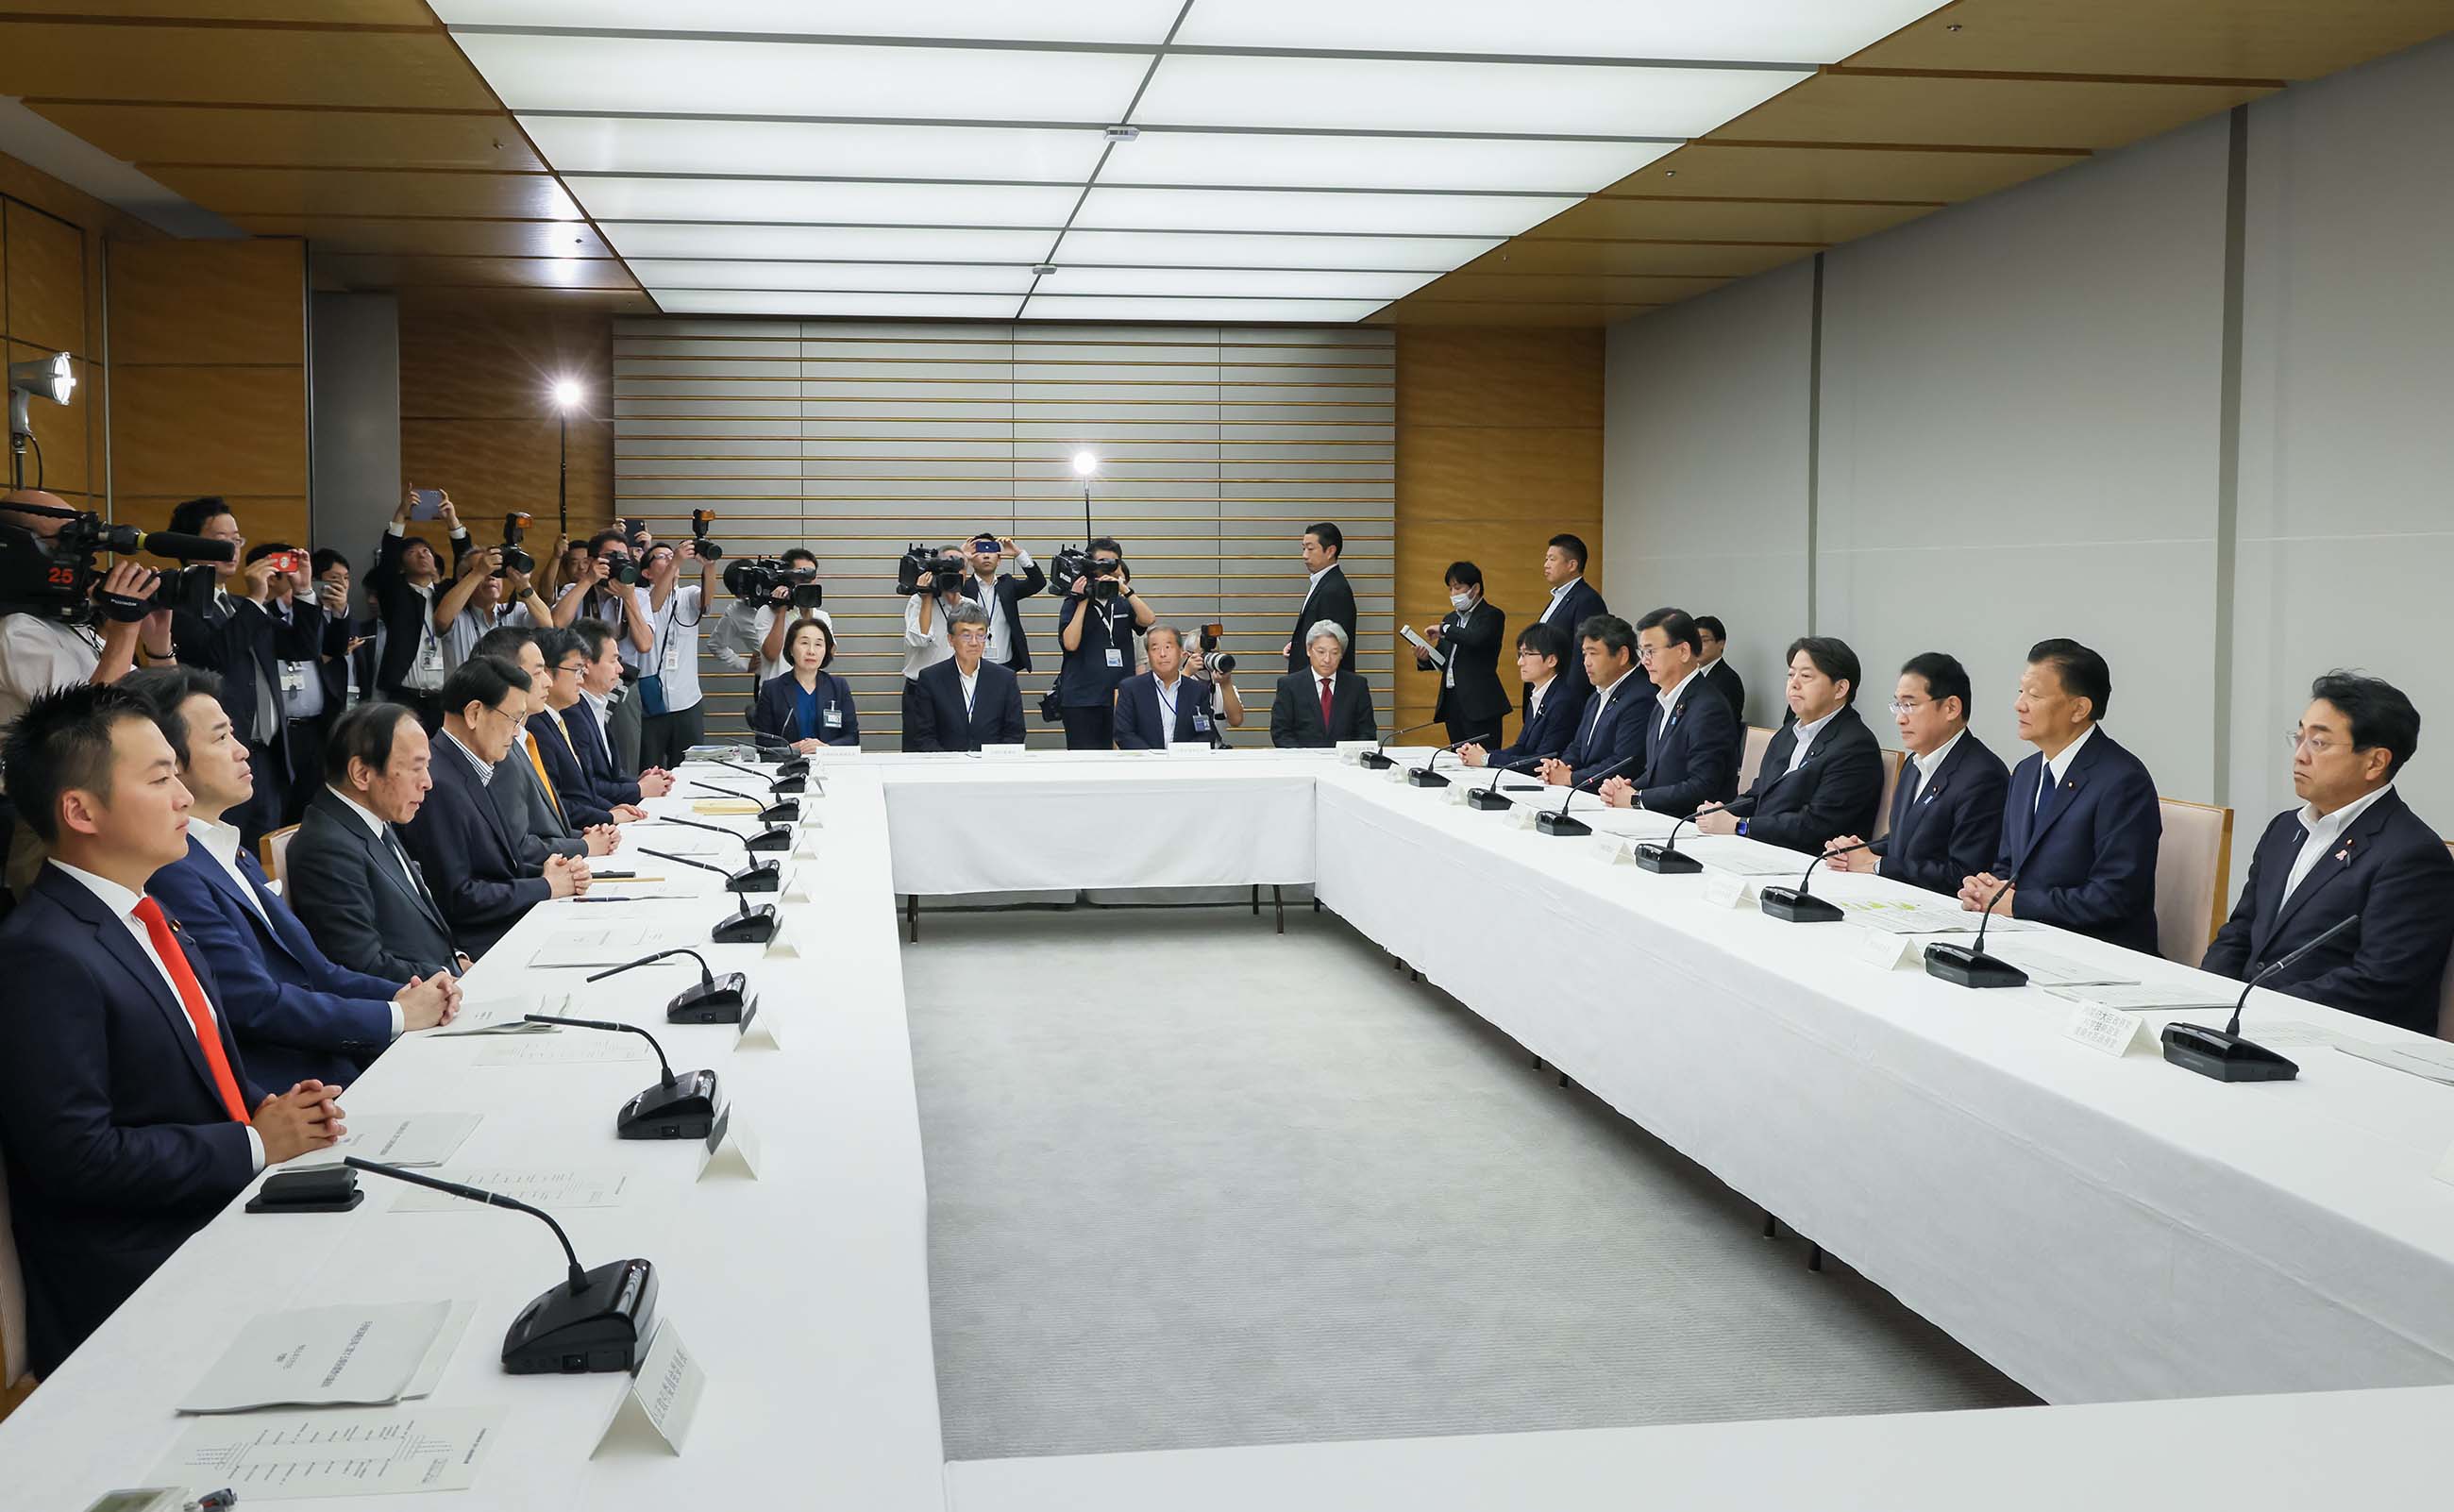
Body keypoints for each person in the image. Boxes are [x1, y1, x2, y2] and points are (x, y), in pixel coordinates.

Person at [0, 683, 344, 1377]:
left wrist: (266, 1108)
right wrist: (252, 1142)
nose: (185, 796)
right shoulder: (42, 952)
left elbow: (203, 1069)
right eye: (160, 780)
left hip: (219, 1211)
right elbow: (76, 1158)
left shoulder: (153, 916)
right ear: (81, 811)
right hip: (139, 1278)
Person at [126, 666, 460, 1088]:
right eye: (221, 738)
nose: (243, 751)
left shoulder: (233, 850)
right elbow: (253, 1003)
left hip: (335, 1056)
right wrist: (397, 1014)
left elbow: (317, 969)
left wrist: (400, 996)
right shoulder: (172, 871)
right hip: (298, 1086)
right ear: (169, 764)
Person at [2202, 673, 2454, 1034]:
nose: (2300, 755)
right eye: (2299, 736)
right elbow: (2240, 931)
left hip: (2341, 1042)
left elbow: (2380, 983)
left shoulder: (2412, 856)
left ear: (2375, 762)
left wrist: (2257, 1007)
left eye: (2318, 742)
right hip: (2246, 1022)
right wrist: (2207, 996)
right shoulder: (2285, 828)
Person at [1, 489, 173, 899]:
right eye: (62, 542)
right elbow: (87, 722)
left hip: (113, 808)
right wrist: (123, 630)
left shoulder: (75, 627)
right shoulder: (15, 633)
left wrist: (159, 644)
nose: (79, 556)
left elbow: (164, 709)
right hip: (55, 819)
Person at [1959, 639, 2161, 954]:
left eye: (2035, 695)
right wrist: (1986, 890)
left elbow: (2114, 896)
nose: (2019, 704)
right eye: (2020, 692)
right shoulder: (2025, 773)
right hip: (2027, 938)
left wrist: (2017, 903)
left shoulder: (2123, 781)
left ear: (2079, 708)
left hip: (2098, 953)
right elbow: (2008, 865)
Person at [400, 657, 589, 958]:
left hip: (507, 925)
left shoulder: (470, 766)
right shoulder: (438, 784)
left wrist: (550, 872)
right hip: (485, 944)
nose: (516, 733)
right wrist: (545, 886)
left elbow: (498, 866)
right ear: (475, 712)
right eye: (513, 719)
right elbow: (460, 898)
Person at [287, 701, 466, 983]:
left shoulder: (372, 816)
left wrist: (458, 962)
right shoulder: (326, 847)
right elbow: (361, 964)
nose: (428, 782)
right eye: (416, 768)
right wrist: (446, 975)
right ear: (362, 774)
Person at [165, 498, 298, 848]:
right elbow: (216, 657)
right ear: (188, 544)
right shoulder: (178, 605)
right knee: (225, 848)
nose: (232, 548)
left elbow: (302, 649)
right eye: (220, 538)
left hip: (266, 754)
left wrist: (306, 592)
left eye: (237, 539)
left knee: (265, 851)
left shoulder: (240, 606)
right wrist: (257, 599)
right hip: (219, 757)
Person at [1826, 652, 2009, 898]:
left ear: (1951, 707)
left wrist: (1876, 865)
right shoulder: (1915, 763)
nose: (1900, 718)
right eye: (1897, 705)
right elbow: (1903, 842)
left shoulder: (1983, 776)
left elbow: (1964, 873)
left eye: (1910, 705)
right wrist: (1856, 851)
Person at [1690, 636, 1882, 851]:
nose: (1794, 683)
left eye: (1806, 676)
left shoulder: (1856, 747)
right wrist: (1724, 812)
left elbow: (1816, 826)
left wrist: (1740, 826)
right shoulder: (1787, 733)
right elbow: (1758, 794)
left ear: (1840, 689)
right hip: (1765, 848)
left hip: (1811, 863)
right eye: (1791, 675)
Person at [469, 626, 615, 865]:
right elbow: (520, 845)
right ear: (504, 678)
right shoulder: (498, 751)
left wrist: (588, 837)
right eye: (538, 673)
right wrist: (584, 845)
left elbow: (551, 824)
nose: (547, 682)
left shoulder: (523, 740)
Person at [1600, 608, 1740, 815]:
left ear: (1683, 651)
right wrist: (1623, 789)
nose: (1645, 660)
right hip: (1660, 819)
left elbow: (1703, 787)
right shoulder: (1662, 702)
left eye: (1651, 651)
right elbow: (1657, 774)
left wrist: (1637, 799)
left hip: (1691, 828)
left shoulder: (1709, 708)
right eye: (1642, 652)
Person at [367, 489, 474, 729]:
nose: (422, 555)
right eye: (412, 553)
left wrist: (452, 522)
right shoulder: (395, 593)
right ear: (402, 566)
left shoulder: (447, 593)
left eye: (426, 551)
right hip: (404, 697)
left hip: (444, 697)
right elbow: (386, 564)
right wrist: (401, 515)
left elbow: (468, 564)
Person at [550, 529, 654, 773]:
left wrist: (628, 598)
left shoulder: (639, 595)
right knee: (582, 754)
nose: (618, 563)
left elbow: (645, 644)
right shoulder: (574, 590)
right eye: (611, 557)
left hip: (622, 685)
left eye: (623, 557)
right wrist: (587, 581)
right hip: (578, 685)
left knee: (626, 756)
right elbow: (555, 624)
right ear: (591, 561)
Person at [530, 626, 648, 828]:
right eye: (576, 669)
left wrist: (612, 810)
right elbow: (554, 804)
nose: (580, 676)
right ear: (548, 673)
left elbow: (584, 792)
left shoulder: (558, 719)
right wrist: (609, 815)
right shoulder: (539, 727)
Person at [625, 538, 718, 768]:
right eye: (662, 557)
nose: (669, 559)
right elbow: (655, 605)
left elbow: (707, 600)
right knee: (649, 767)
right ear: (646, 573)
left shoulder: (688, 594)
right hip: (651, 701)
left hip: (687, 701)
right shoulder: (639, 596)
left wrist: (709, 566)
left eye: (671, 555)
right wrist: (676, 561)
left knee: (690, 768)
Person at [1054, 537, 1156, 749]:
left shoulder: (1123, 602)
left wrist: (1125, 589)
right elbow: (1070, 644)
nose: (1107, 567)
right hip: (1082, 698)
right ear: (1089, 564)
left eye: (1113, 562)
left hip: (1121, 696)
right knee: (1085, 760)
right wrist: (1082, 601)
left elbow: (1148, 619)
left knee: (1122, 760)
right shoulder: (1072, 601)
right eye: (1102, 561)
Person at [563, 617, 673, 810]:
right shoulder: (573, 714)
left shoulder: (594, 704)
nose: (621, 669)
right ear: (586, 665)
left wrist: (640, 782)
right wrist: (639, 789)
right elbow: (587, 786)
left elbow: (609, 776)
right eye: (613, 660)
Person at [1538, 614, 1651, 788]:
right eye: (1584, 654)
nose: (1586, 662)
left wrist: (1571, 778)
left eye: (1593, 653)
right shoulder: (1596, 695)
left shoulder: (1640, 697)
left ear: (1622, 655)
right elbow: (1578, 747)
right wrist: (1559, 767)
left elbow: (1624, 763)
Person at [1458, 622, 1587, 772]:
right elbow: (1521, 748)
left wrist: (1487, 759)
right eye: (1520, 654)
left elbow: (1543, 760)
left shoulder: (1564, 702)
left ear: (1551, 660)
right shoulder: (1540, 695)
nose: (1520, 662)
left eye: (1527, 654)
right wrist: (1482, 755)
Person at [1416, 561, 1509, 748]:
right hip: (1453, 701)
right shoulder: (1450, 619)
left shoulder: (1492, 616)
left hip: (1480, 703)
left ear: (1475, 589)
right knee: (1458, 759)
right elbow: (1444, 659)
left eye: (1458, 588)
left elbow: (1475, 639)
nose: (1453, 594)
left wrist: (1444, 629)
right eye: (1450, 589)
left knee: (1482, 759)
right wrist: (1425, 658)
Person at [907, 602, 1025, 751]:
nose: (974, 643)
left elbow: (1015, 733)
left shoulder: (1005, 678)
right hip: (945, 767)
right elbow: (923, 736)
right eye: (966, 635)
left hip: (992, 767)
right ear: (951, 639)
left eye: (980, 635)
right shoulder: (930, 679)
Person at [709, 546, 830, 686]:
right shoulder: (738, 612)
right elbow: (716, 644)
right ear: (736, 595)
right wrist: (744, 664)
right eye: (744, 593)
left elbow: (826, 651)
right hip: (772, 679)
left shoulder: (805, 608)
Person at [1114, 624, 1245, 749]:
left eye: (1168, 647)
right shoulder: (1130, 688)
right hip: (1146, 764)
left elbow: (1206, 734)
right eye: (1155, 648)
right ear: (1148, 654)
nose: (1162, 654)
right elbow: (1123, 733)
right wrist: (1153, 758)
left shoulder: (1198, 690)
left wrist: (1180, 755)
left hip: (1186, 764)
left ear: (1180, 652)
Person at [431, 538, 550, 671]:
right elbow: (441, 620)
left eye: (496, 572)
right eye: (485, 571)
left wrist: (524, 585)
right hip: (467, 691)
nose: (491, 576)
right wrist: (478, 572)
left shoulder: (515, 611)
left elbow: (547, 626)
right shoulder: (457, 616)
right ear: (463, 578)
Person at [749, 617, 861, 752]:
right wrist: (789, 749)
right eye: (804, 643)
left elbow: (852, 737)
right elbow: (762, 742)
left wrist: (825, 748)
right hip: (788, 766)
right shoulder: (772, 689)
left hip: (829, 765)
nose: (811, 651)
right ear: (790, 648)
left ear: (826, 650)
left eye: (818, 644)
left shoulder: (838, 687)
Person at [900, 547, 969, 751]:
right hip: (919, 690)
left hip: (957, 689)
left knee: (954, 748)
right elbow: (920, 639)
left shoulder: (969, 605)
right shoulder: (918, 601)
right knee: (917, 751)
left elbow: (970, 647)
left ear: (965, 574)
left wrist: (956, 605)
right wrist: (927, 596)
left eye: (958, 568)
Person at [1528, 533, 1607, 708]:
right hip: (1544, 692)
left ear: (1572, 565)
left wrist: (1568, 700)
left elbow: (1582, 652)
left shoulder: (1587, 600)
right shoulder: (1558, 598)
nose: (1546, 565)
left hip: (1563, 698)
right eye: (1546, 559)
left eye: (1552, 559)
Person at [1271, 621, 1376, 748]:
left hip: (1345, 763)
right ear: (1309, 650)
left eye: (1334, 653)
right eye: (1321, 652)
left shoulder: (1357, 686)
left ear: (1341, 654)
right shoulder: (1289, 685)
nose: (1327, 659)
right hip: (1303, 762)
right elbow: (1281, 733)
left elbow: (1367, 732)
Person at [962, 532, 1045, 672]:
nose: (986, 555)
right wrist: (962, 558)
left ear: (999, 559)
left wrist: (1018, 554)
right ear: (971, 560)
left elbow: (1038, 583)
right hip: (970, 665)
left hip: (1006, 665)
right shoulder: (963, 587)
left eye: (991, 550)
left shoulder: (1007, 585)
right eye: (980, 551)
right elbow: (947, 590)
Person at [309, 547, 378, 717]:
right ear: (314, 581)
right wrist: (337, 652)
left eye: (346, 578)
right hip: (321, 708)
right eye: (334, 578)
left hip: (353, 706)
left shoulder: (352, 622)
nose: (342, 583)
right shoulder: (307, 619)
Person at [1283, 522, 1357, 674]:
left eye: (1310, 549)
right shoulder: (1323, 582)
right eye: (1303, 549)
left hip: (1321, 686)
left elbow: (1332, 644)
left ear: (1330, 551)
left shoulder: (1335, 590)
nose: (1304, 555)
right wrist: (1296, 645)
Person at [1694, 614, 1746, 725]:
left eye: (1704, 640)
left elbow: (1723, 722)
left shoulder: (1729, 680)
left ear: (1721, 644)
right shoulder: (1692, 676)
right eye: (1694, 641)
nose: (1697, 646)